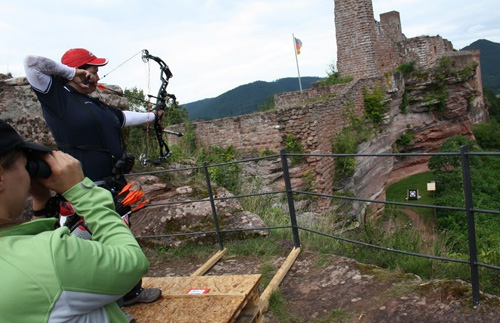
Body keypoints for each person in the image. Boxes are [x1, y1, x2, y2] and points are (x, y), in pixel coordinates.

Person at [23, 49, 162, 307]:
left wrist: (153, 116)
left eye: (96, 71)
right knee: (90, 245)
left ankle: (130, 293)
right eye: (93, 70)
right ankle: (105, 302)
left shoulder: (94, 103)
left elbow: (120, 118)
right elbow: (32, 63)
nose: (96, 76)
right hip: (83, 187)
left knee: (119, 234)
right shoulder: (57, 97)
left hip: (115, 185)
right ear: (79, 70)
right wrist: (71, 73)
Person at [0, 119, 149, 322]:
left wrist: (42, 205)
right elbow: (133, 263)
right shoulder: (51, 257)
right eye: (25, 166)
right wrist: (82, 191)